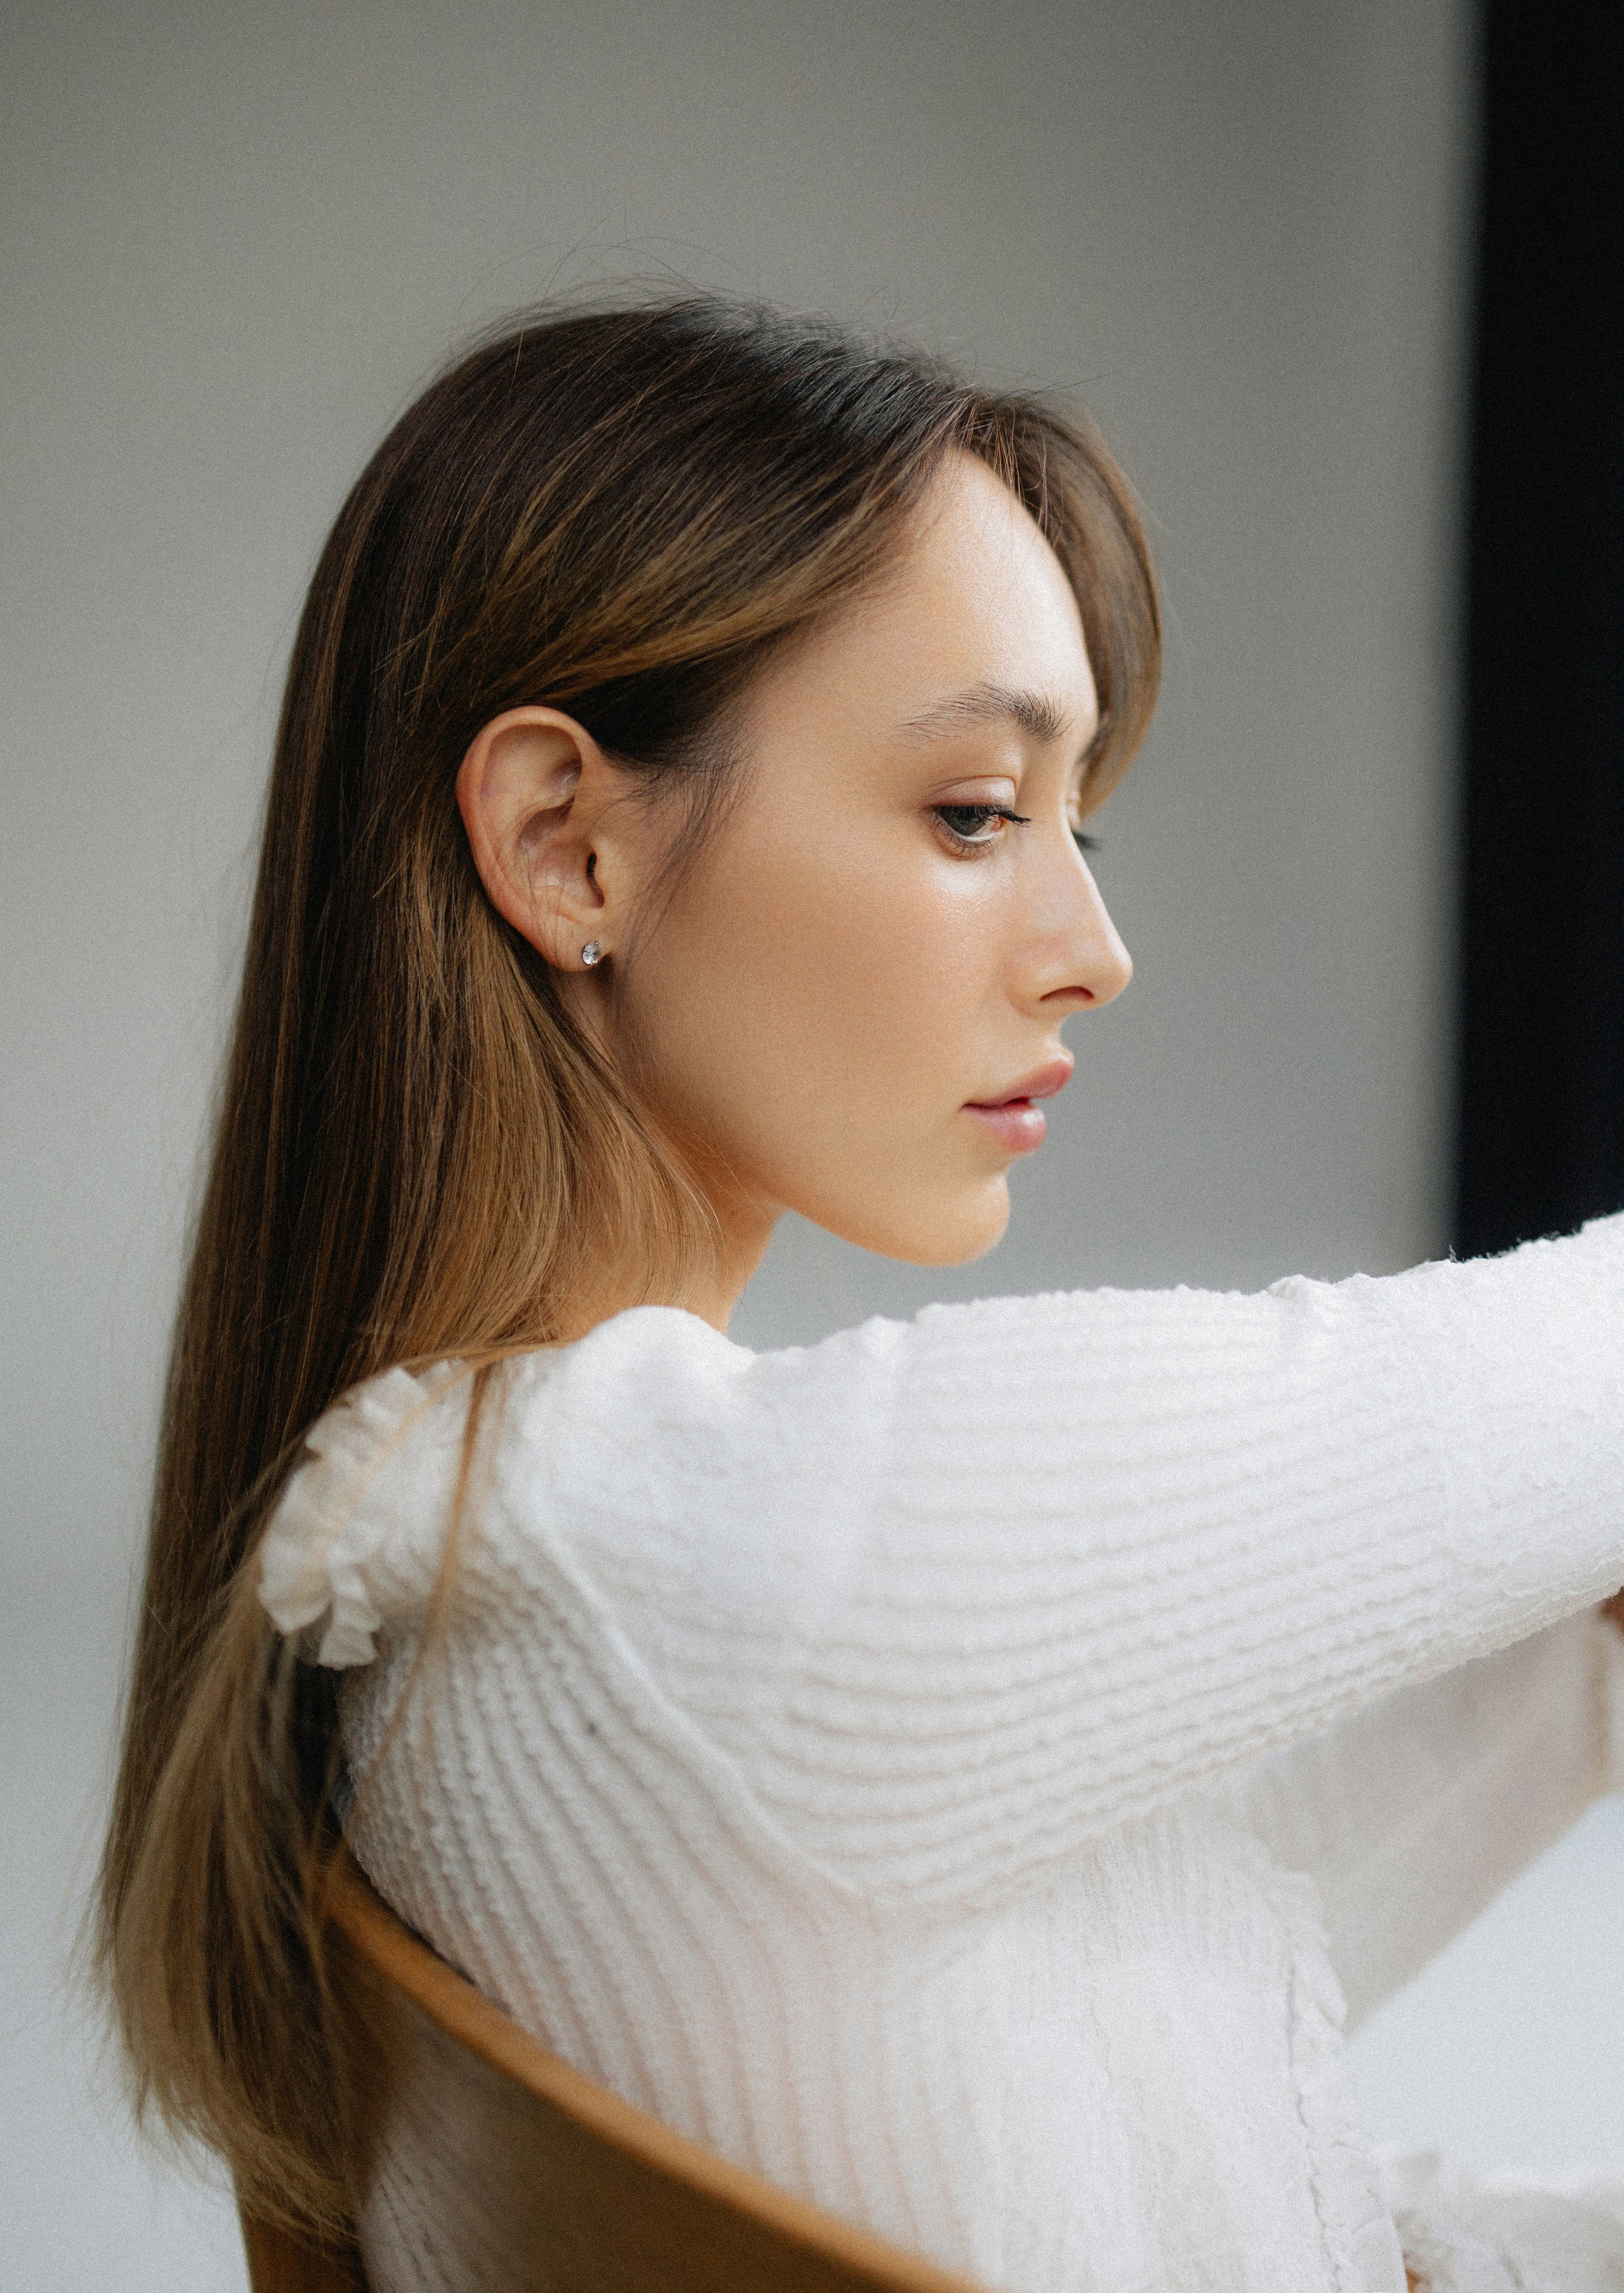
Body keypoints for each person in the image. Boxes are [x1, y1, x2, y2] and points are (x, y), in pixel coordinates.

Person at [100, 299, 1624, 2293]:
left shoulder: (506, 1571)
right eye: (979, 811)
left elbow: (1114, 1997)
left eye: (1080, 820)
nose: (1096, 949)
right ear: (566, 845)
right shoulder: (684, 1557)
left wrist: (1573, 1666)